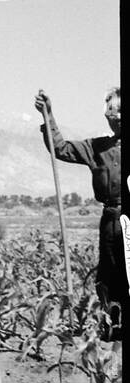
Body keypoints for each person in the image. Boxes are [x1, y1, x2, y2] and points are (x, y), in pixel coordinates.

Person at [35, 87, 124, 337]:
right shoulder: (97, 148)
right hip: (109, 220)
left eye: (118, 111)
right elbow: (60, 148)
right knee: (108, 273)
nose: (114, 117)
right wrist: (48, 115)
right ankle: (110, 325)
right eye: (110, 112)